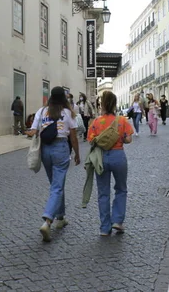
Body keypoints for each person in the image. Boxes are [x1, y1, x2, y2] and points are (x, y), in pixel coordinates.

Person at [28, 87, 80, 242]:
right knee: (57, 186)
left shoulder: (42, 111)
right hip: (61, 148)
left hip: (45, 150)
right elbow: (74, 137)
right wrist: (77, 153)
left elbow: (33, 131)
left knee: (56, 185)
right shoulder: (67, 113)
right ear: (64, 98)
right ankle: (48, 220)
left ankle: (60, 217)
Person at [87, 91, 134, 236]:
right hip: (118, 156)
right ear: (114, 104)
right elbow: (128, 140)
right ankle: (117, 221)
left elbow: (91, 140)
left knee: (103, 192)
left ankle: (104, 228)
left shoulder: (95, 122)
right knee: (121, 189)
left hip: (101, 158)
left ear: (102, 104)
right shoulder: (121, 121)